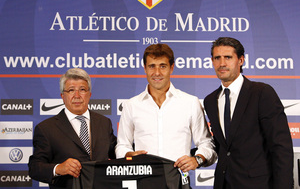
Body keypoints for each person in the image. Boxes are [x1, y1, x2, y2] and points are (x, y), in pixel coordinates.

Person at [204, 37, 293, 189]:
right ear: (212, 61)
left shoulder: (262, 93)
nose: (222, 63)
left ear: (241, 60)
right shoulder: (210, 100)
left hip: (258, 184)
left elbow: (281, 147)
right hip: (223, 184)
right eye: (217, 58)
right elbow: (222, 146)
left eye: (228, 57)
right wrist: (193, 156)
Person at [116, 44, 217, 173]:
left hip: (178, 181)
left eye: (162, 66)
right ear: (145, 68)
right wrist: (128, 155)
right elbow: (122, 146)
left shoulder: (190, 102)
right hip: (143, 180)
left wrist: (197, 159)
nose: (157, 73)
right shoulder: (131, 105)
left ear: (172, 68)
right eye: (152, 66)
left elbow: (206, 143)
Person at [28, 68, 117, 189]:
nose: (77, 96)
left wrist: (129, 153)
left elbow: (115, 151)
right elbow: (35, 168)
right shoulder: (46, 129)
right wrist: (58, 168)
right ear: (62, 96)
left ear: (89, 94)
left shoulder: (104, 122)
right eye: (71, 90)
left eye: (82, 90)